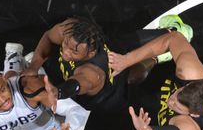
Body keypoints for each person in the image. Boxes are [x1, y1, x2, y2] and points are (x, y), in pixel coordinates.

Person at [22, 16, 192, 112]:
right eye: (65, 44)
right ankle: (165, 40)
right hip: (111, 47)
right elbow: (47, 37)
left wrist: (58, 92)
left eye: (74, 52)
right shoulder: (69, 31)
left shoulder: (92, 73)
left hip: (109, 91)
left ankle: (160, 53)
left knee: (131, 77)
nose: (65, 52)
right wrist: (33, 66)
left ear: (90, 53)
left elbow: (77, 84)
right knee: (126, 43)